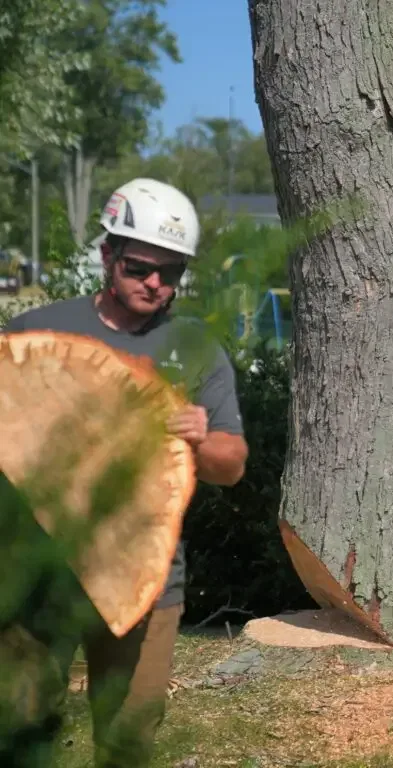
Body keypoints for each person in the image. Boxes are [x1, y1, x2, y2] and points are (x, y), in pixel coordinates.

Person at [1, 177, 249, 766]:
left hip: (148, 582)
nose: (156, 284)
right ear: (108, 254)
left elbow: (232, 466)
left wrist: (198, 438)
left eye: (172, 272)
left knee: (128, 741)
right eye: (140, 267)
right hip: (37, 577)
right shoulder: (35, 331)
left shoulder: (196, 348)